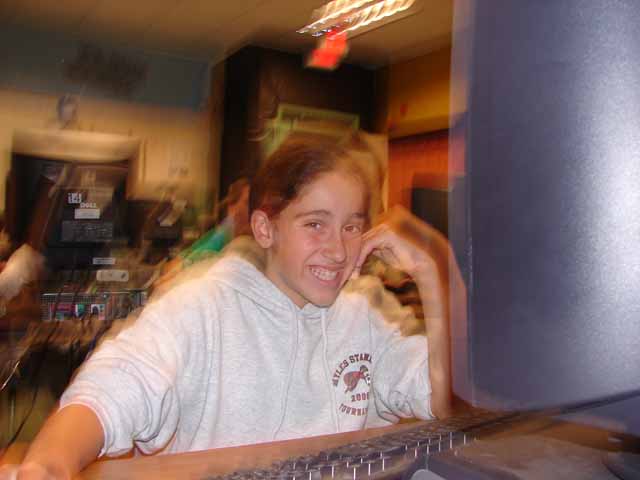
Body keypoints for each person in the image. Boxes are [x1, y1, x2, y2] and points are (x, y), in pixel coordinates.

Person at [2, 135, 455, 479]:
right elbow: (116, 386)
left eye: (352, 227)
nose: (338, 250)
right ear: (265, 228)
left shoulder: (366, 310)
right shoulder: (204, 304)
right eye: (315, 224)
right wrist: (49, 462)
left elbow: (442, 401)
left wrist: (434, 274)